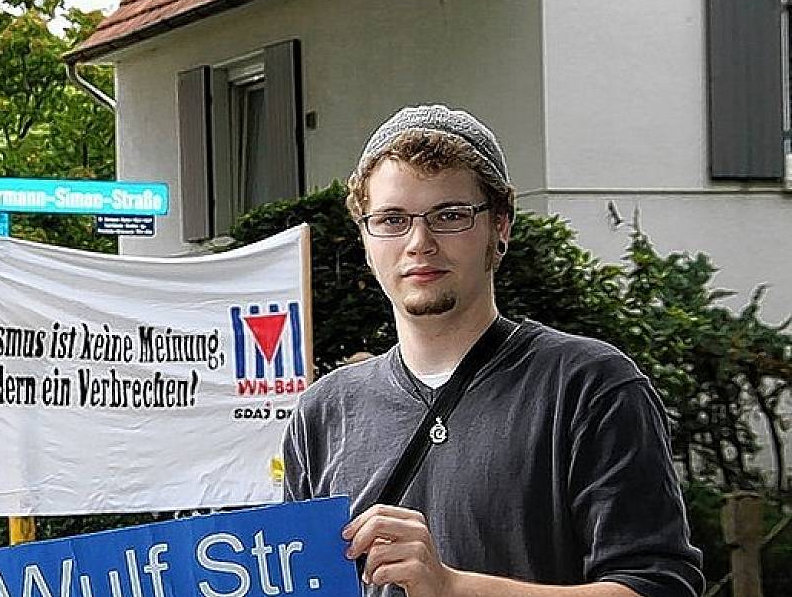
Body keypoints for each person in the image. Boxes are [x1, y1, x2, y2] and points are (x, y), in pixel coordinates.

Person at [283, 105, 704, 597]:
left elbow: (658, 587)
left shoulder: (589, 386)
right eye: (392, 219)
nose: (419, 242)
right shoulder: (323, 412)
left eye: (451, 216)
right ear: (365, 236)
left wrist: (453, 588)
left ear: (499, 227)